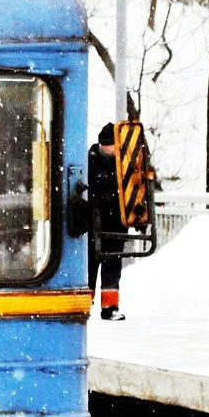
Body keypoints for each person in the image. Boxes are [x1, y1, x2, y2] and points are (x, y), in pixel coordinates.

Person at [86, 123, 126, 320]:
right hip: (94, 224)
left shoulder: (124, 162)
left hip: (116, 223)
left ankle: (110, 307)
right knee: (90, 266)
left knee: (112, 265)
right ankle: (85, 303)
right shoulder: (89, 162)